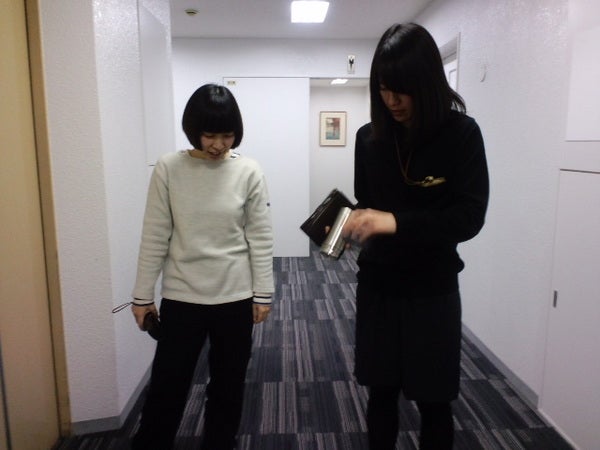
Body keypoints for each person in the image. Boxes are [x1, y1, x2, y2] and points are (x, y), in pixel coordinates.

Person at [341, 23, 489, 449]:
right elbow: (368, 202)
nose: (392, 101)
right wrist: (354, 223)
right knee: (380, 394)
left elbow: (468, 218)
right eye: (383, 89)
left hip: (432, 290)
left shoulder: (462, 135)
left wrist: (395, 222)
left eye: (402, 90)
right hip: (379, 285)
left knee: (434, 401)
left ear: (426, 84)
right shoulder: (369, 138)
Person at [130, 83, 274, 450]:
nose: (218, 145)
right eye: (210, 135)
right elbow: (155, 236)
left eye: (227, 135)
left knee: (228, 386)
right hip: (183, 297)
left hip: (235, 297)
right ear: (193, 130)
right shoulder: (169, 168)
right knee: (167, 386)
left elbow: (260, 237)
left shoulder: (249, 172)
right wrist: (142, 296)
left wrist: (263, 293)